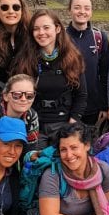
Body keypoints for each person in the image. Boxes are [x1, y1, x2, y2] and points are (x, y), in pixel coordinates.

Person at [14, 9, 86, 144]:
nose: (41, 33)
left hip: (64, 126)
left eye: (46, 27)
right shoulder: (25, 60)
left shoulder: (72, 59)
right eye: (36, 29)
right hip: (34, 126)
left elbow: (81, 95)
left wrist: (71, 124)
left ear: (57, 28)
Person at [67, 0, 109, 134]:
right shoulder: (61, 37)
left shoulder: (99, 38)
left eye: (87, 8)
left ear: (91, 12)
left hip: (93, 107)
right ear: (69, 11)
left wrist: (105, 106)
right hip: (68, 106)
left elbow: (105, 74)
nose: (82, 11)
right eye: (77, 7)